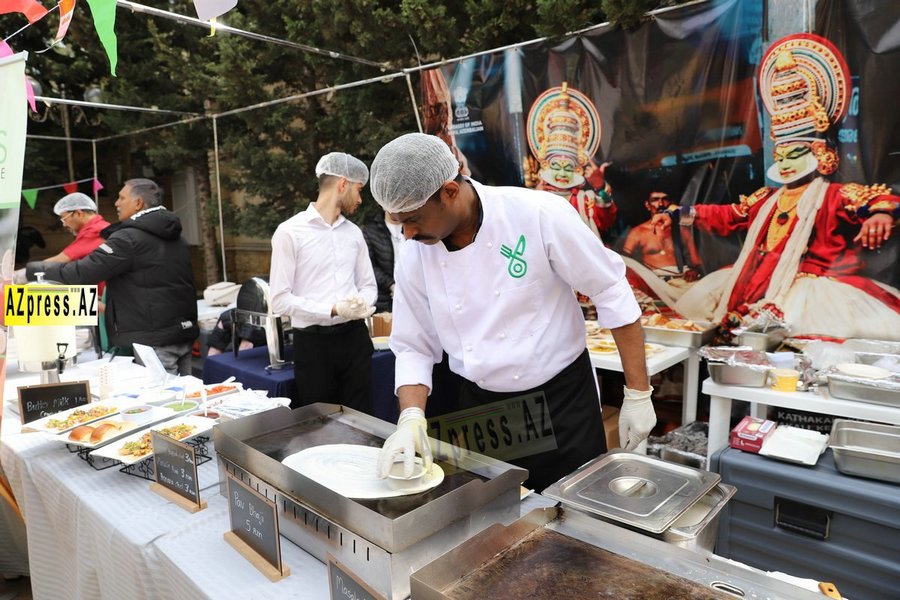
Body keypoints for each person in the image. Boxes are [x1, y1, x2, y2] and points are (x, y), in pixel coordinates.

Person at [369, 133, 654, 491]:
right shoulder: (415, 256)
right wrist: (411, 418)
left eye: (413, 219)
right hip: (485, 409)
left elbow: (609, 289)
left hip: (561, 401)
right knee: (499, 512)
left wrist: (638, 392)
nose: (408, 233)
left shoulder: (536, 214)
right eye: (399, 223)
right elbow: (414, 345)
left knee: (575, 511)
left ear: (450, 191)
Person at [653, 34, 900, 340]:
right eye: (780, 155)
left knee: (801, 346)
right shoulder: (767, 198)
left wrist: (880, 215)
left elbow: (879, 197)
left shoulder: (833, 195)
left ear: (818, 152)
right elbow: (729, 215)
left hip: (810, 293)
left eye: (794, 154)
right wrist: (679, 213)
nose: (784, 163)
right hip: (755, 282)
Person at [26, 179, 199, 374]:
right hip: (181, 332)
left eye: (122, 198)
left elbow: (82, 272)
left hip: (154, 340)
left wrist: (32, 271)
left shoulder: (128, 238)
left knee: (161, 391)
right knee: (185, 390)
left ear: (138, 203)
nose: (116, 203)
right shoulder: (177, 236)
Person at [269, 152, 378, 413]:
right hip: (313, 346)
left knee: (361, 418)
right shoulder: (290, 232)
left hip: (355, 339)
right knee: (321, 423)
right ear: (343, 184)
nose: (360, 199)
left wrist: (360, 304)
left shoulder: (354, 233)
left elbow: (369, 285)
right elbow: (279, 300)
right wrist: (333, 309)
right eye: (359, 190)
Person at [621, 192, 701, 307]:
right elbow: (624, 263)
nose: (660, 203)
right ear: (647, 205)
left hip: (685, 282)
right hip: (656, 285)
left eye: (664, 199)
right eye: (655, 199)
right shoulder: (637, 232)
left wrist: (695, 270)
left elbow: (696, 261)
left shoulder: (682, 229)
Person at [362, 210, 404, 312]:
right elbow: (369, 266)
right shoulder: (370, 231)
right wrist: (391, 285)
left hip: (412, 295)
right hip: (383, 300)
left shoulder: (414, 228)